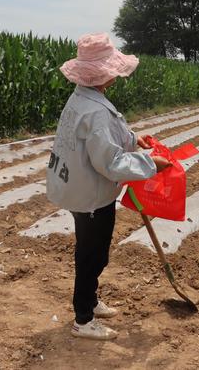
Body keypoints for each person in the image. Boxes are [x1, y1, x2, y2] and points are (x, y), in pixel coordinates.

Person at [46, 33, 170, 340]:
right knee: (91, 255)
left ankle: (90, 300)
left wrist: (132, 138)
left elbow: (105, 136)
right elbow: (110, 163)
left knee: (94, 252)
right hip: (91, 197)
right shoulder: (96, 109)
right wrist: (151, 164)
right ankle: (83, 319)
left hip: (81, 189)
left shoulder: (83, 98)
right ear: (105, 72)